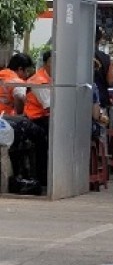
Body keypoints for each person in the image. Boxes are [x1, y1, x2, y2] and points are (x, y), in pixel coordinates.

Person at [23, 50, 53, 188]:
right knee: (44, 140)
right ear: (47, 63)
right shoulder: (38, 81)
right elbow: (49, 106)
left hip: (45, 118)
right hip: (34, 119)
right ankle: (42, 178)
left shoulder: (50, 78)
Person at [93, 26, 113, 120]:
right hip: (100, 99)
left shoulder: (77, 55)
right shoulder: (105, 58)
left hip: (79, 98)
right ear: (100, 39)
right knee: (98, 128)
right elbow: (110, 81)